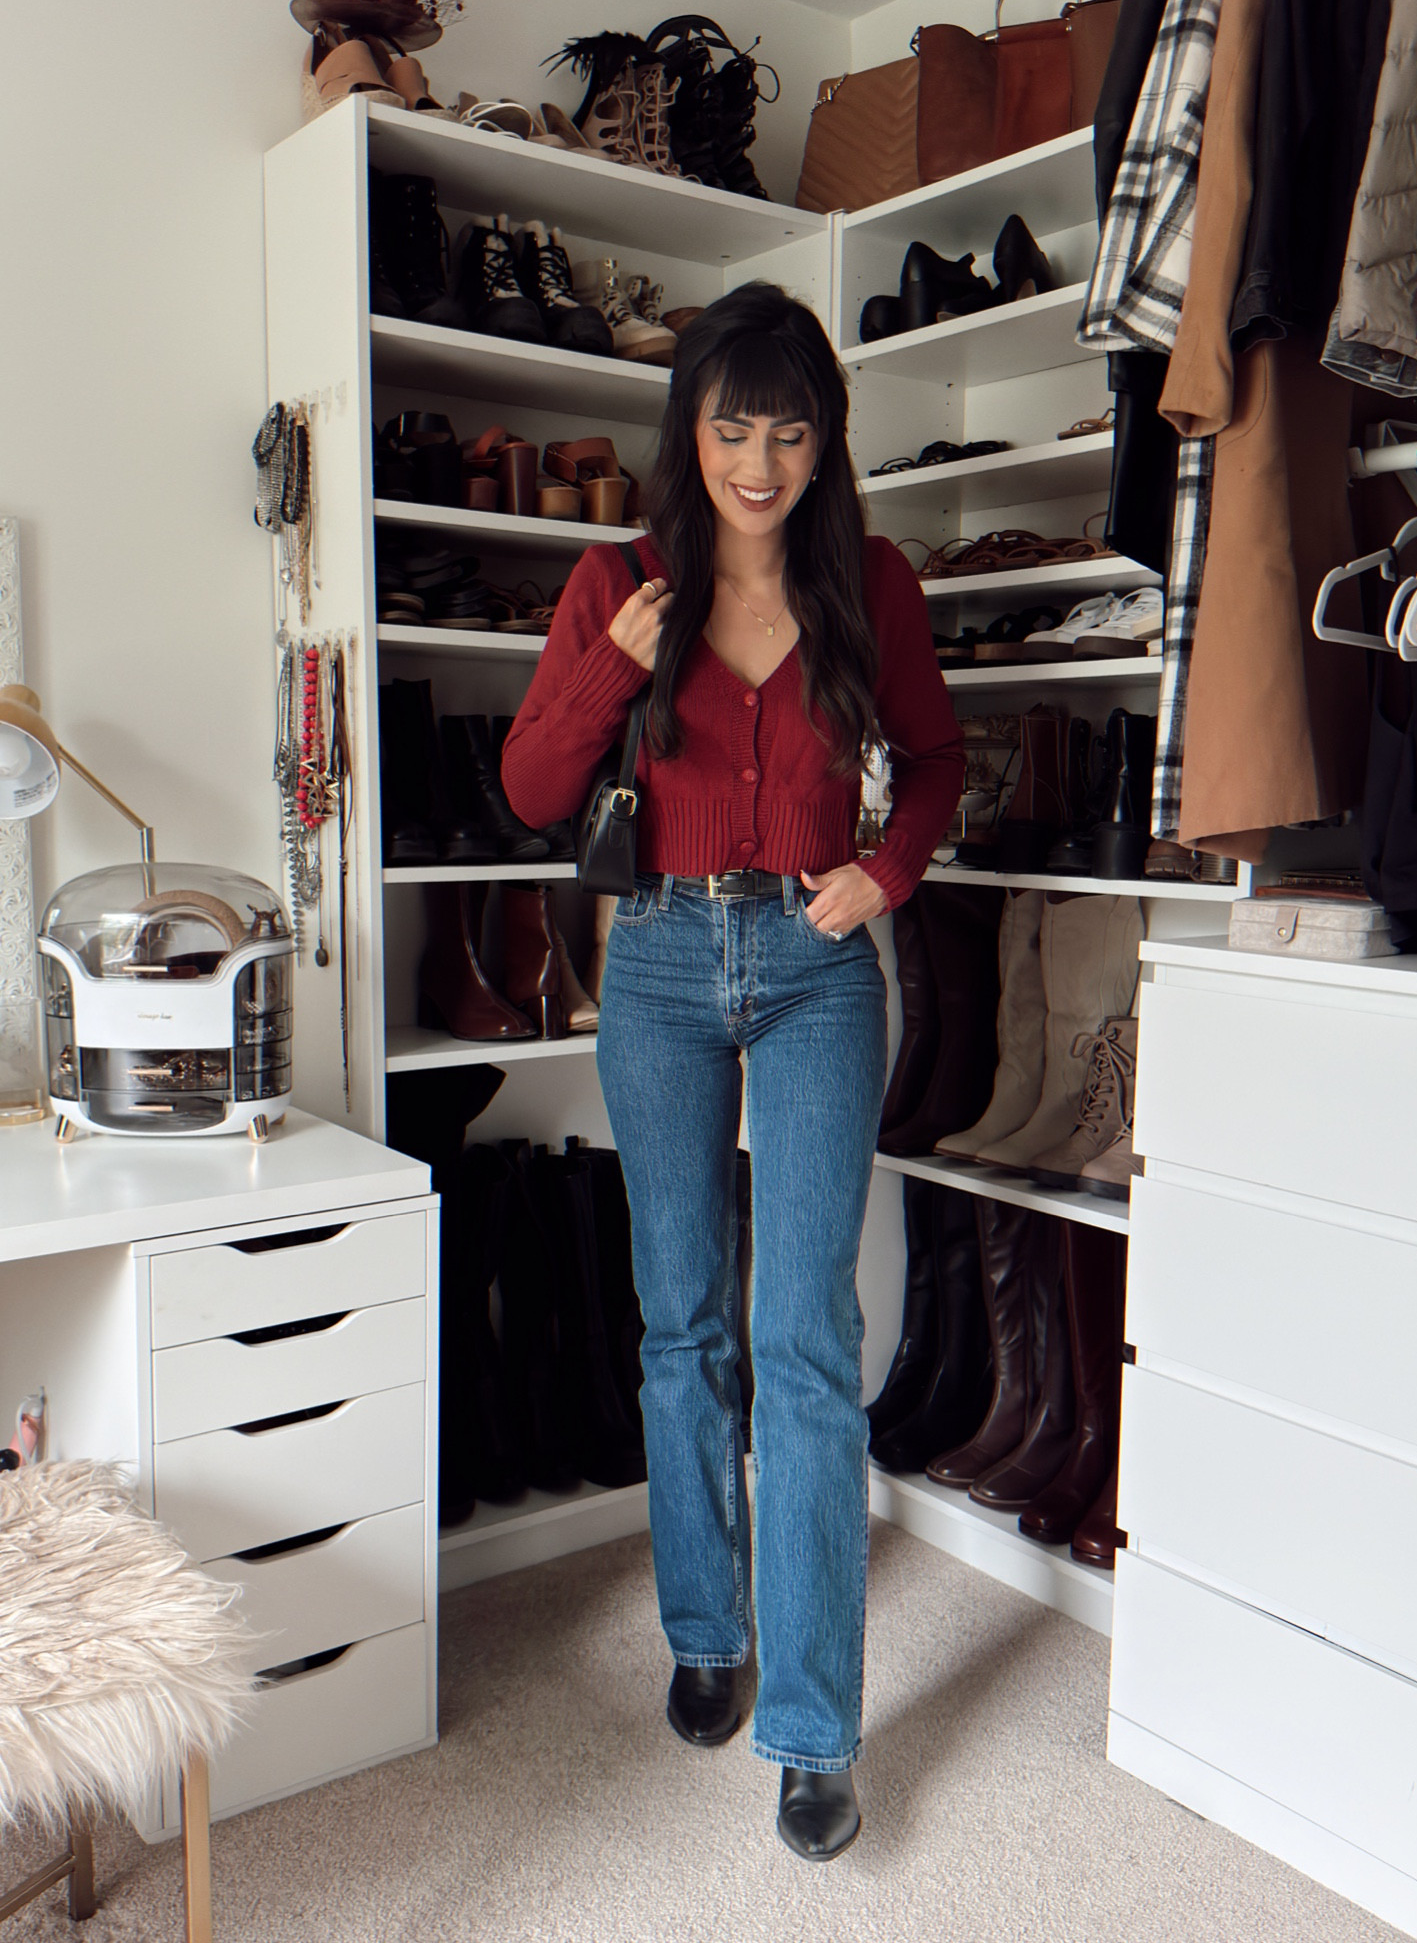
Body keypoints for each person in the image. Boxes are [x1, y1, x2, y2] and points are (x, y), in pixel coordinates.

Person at [501, 281, 963, 1860]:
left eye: (789, 426)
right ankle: (709, 1628)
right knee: (682, 1319)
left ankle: (815, 1729)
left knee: (806, 1340)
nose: (758, 459)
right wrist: (607, 671)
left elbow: (942, 758)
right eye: (730, 423)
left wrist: (886, 877)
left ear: (826, 438)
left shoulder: (872, 580)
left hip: (819, 969)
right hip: (662, 970)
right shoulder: (617, 581)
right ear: (687, 429)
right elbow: (529, 784)